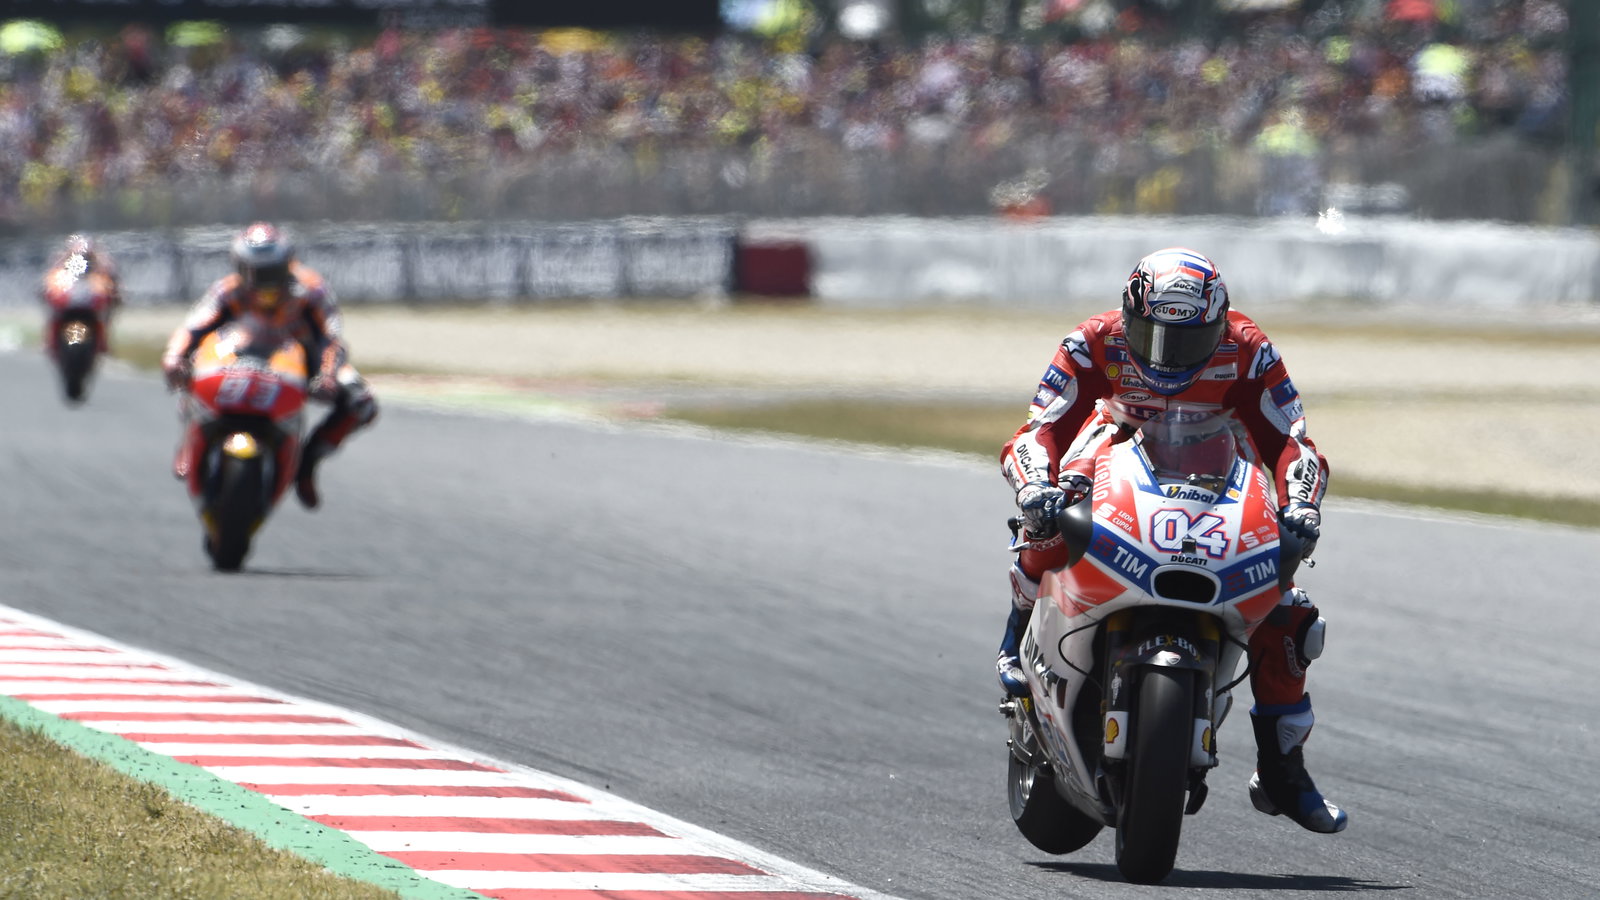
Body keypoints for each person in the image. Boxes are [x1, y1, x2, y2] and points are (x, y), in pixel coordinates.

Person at [996, 247, 1347, 835]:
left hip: (1214, 468)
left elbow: (1292, 440)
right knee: (1047, 520)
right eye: (1150, 336)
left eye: (1183, 342)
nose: (1164, 356)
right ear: (1129, 316)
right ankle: (1016, 630)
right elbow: (1040, 429)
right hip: (1113, 449)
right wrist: (1035, 484)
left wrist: (1301, 504)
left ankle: (1282, 771)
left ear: (1217, 325)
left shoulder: (1250, 349)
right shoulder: (1093, 341)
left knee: (1288, 611)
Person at [160, 222, 378, 509]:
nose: (262, 281)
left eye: (271, 270)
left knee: (362, 402)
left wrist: (326, 375)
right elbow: (194, 327)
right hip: (235, 356)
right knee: (193, 365)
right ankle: (191, 439)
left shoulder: (311, 290)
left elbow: (331, 339)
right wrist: (175, 356)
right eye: (253, 271)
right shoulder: (227, 291)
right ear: (239, 267)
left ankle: (307, 462)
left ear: (287, 263)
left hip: (305, 362)